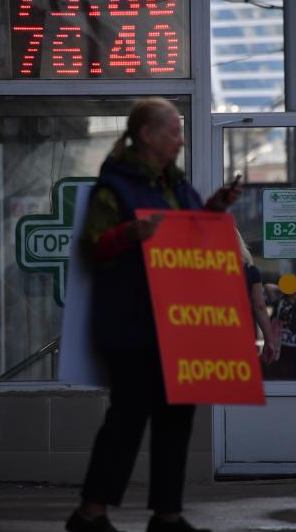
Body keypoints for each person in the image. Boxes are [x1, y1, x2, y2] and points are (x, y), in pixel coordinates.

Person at [66, 97, 241, 532]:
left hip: (177, 324)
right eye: (174, 132)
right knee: (126, 419)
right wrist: (131, 233)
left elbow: (191, 236)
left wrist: (215, 209)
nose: (180, 140)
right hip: (131, 325)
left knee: (177, 419)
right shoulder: (115, 188)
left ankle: (167, 514)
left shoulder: (177, 186)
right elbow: (93, 248)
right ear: (147, 135)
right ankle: (91, 514)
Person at [235, 229, 275, 365]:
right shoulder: (250, 270)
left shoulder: (204, 268)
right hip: (241, 333)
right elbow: (260, 306)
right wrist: (269, 340)